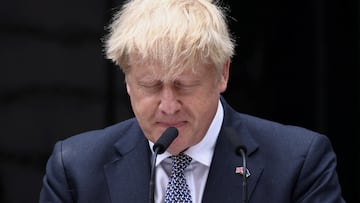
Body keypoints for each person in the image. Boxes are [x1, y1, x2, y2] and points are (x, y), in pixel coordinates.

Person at [39, 0, 345, 202]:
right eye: (151, 86)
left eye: (185, 85)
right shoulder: (75, 168)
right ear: (127, 80)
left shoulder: (299, 163)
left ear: (222, 73)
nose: (169, 105)